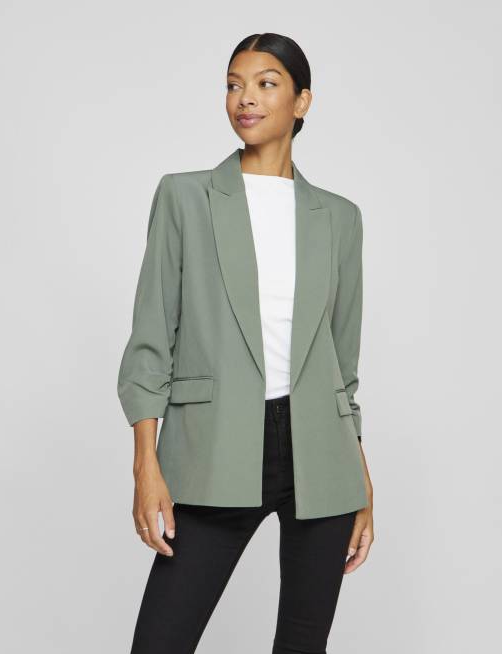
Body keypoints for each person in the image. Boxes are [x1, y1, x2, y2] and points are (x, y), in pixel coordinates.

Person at [117, 32, 374, 654]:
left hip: (323, 457)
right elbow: (151, 340)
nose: (245, 98)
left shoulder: (339, 218)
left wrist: (360, 482)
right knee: (160, 642)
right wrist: (146, 465)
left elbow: (343, 368)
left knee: (302, 644)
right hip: (215, 448)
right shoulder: (185, 197)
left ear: (302, 101)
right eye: (234, 85)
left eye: (265, 84)